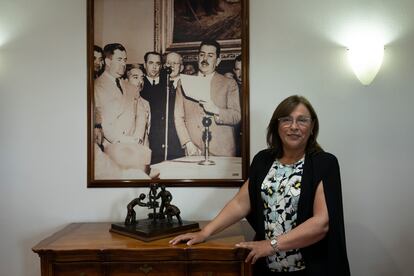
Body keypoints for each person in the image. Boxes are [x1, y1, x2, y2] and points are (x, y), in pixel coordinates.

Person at [170, 95, 350, 276]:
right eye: (286, 120)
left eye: (302, 120)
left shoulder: (324, 163)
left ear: (312, 127)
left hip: (310, 268)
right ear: (276, 126)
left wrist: (271, 245)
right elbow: (241, 203)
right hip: (267, 266)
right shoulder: (263, 160)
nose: (294, 126)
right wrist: (205, 232)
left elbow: (321, 224)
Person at [174, 40, 241, 157]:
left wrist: (216, 110)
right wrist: (188, 143)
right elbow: (178, 117)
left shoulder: (229, 83)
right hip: (193, 152)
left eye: (210, 55)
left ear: (218, 60)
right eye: (202, 54)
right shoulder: (183, 82)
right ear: (197, 58)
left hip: (222, 153)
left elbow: (236, 116)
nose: (205, 58)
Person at [94, 43, 151, 175]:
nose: (123, 64)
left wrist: (137, 138)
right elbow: (101, 119)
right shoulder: (96, 86)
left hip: (134, 146)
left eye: (125, 60)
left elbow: (141, 114)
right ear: (108, 61)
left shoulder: (129, 86)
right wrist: (122, 140)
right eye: (119, 60)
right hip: (113, 148)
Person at [141, 51, 185, 164]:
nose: (155, 67)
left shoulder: (179, 85)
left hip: (175, 139)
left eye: (158, 63)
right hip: (152, 138)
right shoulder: (144, 84)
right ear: (145, 64)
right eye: (151, 63)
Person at [126, 64, 151, 147]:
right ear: (126, 80)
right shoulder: (120, 101)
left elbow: (147, 132)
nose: (140, 81)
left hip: (142, 152)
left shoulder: (146, 104)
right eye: (135, 77)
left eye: (142, 78)